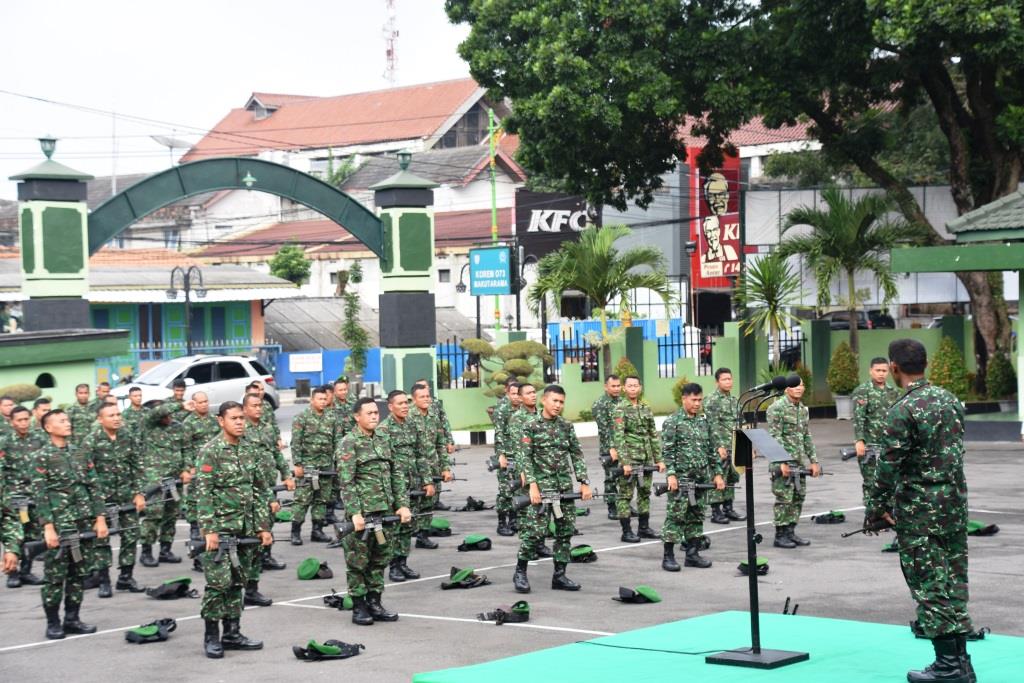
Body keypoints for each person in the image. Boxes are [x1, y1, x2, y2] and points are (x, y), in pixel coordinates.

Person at [866, 339, 975, 682]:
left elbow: (888, 466)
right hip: (953, 506)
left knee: (929, 586)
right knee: (953, 582)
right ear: (925, 365)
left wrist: (875, 508)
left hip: (920, 512)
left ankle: (949, 666)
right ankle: (961, 662)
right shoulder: (950, 400)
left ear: (894, 368)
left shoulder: (903, 409)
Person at [195, 401, 272, 659]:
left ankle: (232, 633)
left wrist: (263, 526)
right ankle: (211, 636)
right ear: (221, 421)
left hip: (246, 529)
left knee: (238, 582)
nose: (239, 422)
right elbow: (203, 492)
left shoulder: (250, 449)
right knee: (218, 584)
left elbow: (260, 489)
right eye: (234, 418)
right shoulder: (210, 451)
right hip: (221, 529)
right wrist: (209, 530)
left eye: (241, 418)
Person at [31, 409, 108, 640]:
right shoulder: (42, 456)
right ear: (48, 427)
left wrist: (100, 518)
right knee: (55, 577)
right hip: (59, 524)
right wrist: (48, 526)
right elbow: (40, 494)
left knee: (78, 573)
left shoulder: (81, 453)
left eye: (67, 420)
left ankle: (72, 619)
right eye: (61, 421)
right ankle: (53, 622)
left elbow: (94, 486)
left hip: (83, 522)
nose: (67, 424)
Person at [335, 397, 412, 625]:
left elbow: (396, 474)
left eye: (376, 413)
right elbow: (346, 481)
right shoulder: (349, 443)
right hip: (363, 514)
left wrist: (402, 504)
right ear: (357, 417)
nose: (374, 416)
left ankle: (375, 602)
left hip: (385, 512)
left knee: (380, 559)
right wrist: (354, 512)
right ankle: (359, 606)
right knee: (358, 563)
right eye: (368, 413)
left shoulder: (384, 438)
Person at [511, 385, 592, 594]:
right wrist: (532, 485)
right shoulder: (530, 425)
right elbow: (524, 457)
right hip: (540, 488)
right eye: (554, 401)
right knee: (534, 533)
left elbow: (576, 454)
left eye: (561, 402)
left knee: (565, 532)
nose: (558, 405)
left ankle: (559, 576)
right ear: (544, 401)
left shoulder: (566, 426)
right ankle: (520, 572)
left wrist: (583, 481)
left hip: (563, 487)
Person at [79, 402, 146, 596]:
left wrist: (139, 493)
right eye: (111, 415)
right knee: (101, 539)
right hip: (101, 500)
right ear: (100, 419)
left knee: (131, 535)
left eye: (118, 414)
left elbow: (137, 465)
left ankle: (125, 577)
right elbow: (84, 475)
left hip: (126, 497)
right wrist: (94, 505)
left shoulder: (127, 437)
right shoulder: (90, 441)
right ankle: (104, 580)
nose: (116, 418)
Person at [659, 383, 725, 571]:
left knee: (697, 515)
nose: (697, 404)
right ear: (684, 399)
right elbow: (668, 451)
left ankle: (692, 554)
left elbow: (712, 451)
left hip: (701, 479)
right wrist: (671, 475)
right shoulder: (673, 422)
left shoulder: (704, 422)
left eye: (699, 400)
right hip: (681, 479)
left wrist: (718, 474)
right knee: (676, 516)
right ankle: (668, 556)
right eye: (693, 400)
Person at [239, 393, 292, 603]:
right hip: (244, 492)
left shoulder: (268, 428)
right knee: (245, 541)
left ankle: (252, 587)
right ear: (244, 408)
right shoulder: (240, 430)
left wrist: (286, 474)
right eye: (254, 406)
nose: (258, 409)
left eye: (260, 405)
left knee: (264, 531)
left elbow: (276, 454)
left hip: (266, 488)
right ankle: (237, 588)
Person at [377, 390, 432, 582]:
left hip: (413, 484)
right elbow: (384, 463)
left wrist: (427, 480)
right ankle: (393, 566)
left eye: (406, 403)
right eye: (400, 403)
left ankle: (403, 562)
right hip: (395, 486)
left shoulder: (412, 425)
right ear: (390, 407)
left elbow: (421, 454)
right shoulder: (384, 429)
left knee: (408, 525)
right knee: (395, 527)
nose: (404, 406)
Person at [766, 377, 820, 548]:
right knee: (784, 498)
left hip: (798, 463)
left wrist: (813, 460)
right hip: (782, 462)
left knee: (798, 497)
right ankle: (780, 535)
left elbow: (806, 436)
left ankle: (790, 531)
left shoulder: (802, 409)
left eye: (801, 385)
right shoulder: (777, 408)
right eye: (795, 385)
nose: (799, 388)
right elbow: (775, 436)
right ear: (786, 388)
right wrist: (781, 461)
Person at [611, 376, 664, 543]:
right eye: (630, 386)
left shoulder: (645, 408)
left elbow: (652, 434)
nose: (633, 388)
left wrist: (658, 459)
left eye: (636, 385)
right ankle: (626, 531)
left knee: (644, 493)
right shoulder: (620, 409)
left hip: (646, 458)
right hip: (630, 459)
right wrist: (625, 462)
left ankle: (644, 528)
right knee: (625, 495)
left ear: (640, 387)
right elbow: (619, 437)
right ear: (624, 388)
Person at [139, 399, 190, 566]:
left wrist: (186, 469)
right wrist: (180, 405)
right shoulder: (148, 425)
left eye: (170, 414)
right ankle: (146, 552)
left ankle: (165, 550)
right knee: (153, 515)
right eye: (165, 415)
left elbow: (186, 449)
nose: (169, 417)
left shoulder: (178, 427)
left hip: (175, 479)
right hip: (155, 479)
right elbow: (157, 412)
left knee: (171, 514)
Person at [1, 406, 47, 587]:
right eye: (19, 420)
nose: (23, 423)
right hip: (15, 498)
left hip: (34, 496)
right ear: (12, 422)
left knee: (33, 534)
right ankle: (12, 573)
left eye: (26, 419)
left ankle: (26, 571)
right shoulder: (5, 442)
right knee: (15, 533)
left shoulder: (39, 439)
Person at [503, 383, 551, 559]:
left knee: (544, 507)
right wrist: (524, 472)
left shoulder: (542, 415)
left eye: (534, 392)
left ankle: (540, 544)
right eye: (528, 393)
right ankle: (527, 547)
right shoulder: (517, 418)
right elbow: (519, 448)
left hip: (543, 469)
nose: (533, 395)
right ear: (521, 397)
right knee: (527, 511)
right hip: (526, 469)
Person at [851, 358, 902, 515]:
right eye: (878, 370)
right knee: (871, 482)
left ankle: (888, 514)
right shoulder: (862, 391)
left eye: (884, 371)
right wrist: (859, 440)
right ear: (870, 371)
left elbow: (898, 419)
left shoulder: (894, 392)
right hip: (870, 447)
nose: (881, 374)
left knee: (891, 481)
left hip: (889, 445)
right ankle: (872, 515)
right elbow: (859, 418)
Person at [290, 387, 337, 545]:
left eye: (325, 399)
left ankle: (317, 531)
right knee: (302, 500)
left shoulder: (332, 418)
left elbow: (337, 441)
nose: (323, 402)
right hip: (307, 466)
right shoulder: (301, 417)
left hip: (325, 466)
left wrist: (337, 463)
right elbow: (296, 442)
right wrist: (297, 464)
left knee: (321, 499)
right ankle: (295, 532)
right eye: (319, 399)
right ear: (312, 400)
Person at [410, 383, 452, 549]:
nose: (426, 399)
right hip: (414, 469)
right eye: (422, 397)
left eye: (428, 396)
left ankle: (423, 535)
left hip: (432, 466)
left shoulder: (434, 416)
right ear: (414, 399)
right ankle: (405, 536)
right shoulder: (409, 417)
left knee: (428, 502)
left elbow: (440, 444)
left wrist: (445, 467)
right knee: (413, 502)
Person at [181, 391, 221, 567]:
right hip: (197, 472)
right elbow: (185, 447)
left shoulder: (214, 420)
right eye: (201, 402)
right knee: (196, 512)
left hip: (214, 470)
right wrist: (188, 467)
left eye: (206, 401)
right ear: (194, 404)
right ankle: (197, 556)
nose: (204, 404)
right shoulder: (188, 423)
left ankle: (212, 552)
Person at [703, 367, 745, 523]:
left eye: (730, 378)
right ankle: (716, 511)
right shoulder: (711, 400)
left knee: (732, 477)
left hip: (734, 444)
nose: (728, 382)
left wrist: (746, 445)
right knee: (718, 475)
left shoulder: (735, 401)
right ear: (717, 382)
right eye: (724, 379)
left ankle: (728, 508)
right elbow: (711, 425)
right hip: (720, 445)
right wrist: (718, 446)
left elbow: (741, 423)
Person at [491, 379, 521, 535]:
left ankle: (514, 521)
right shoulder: (502, 410)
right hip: (507, 456)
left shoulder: (524, 410)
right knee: (506, 490)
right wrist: (501, 455)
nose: (516, 397)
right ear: (508, 394)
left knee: (519, 489)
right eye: (513, 394)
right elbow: (499, 434)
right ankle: (502, 523)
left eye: (518, 394)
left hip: (521, 456)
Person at [592, 374, 623, 520]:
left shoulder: (622, 402)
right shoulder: (600, 404)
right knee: (611, 477)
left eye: (618, 386)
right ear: (606, 387)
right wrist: (611, 448)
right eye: (613, 386)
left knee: (625, 478)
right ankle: (612, 506)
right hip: (609, 448)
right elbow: (604, 429)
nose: (616, 389)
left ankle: (624, 505)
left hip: (624, 447)